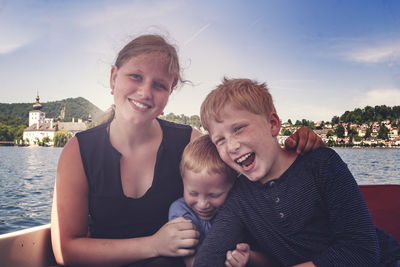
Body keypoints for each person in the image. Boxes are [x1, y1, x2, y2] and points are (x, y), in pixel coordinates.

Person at [50, 34, 324, 267]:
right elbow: (66, 250)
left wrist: (297, 145)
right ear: (113, 77)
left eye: (159, 85)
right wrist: (154, 244)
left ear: (169, 94)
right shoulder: (79, 150)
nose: (145, 92)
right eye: (135, 76)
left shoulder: (190, 143)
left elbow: (249, 169)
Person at [193, 78, 400, 267]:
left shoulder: (321, 164)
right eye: (219, 140)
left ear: (273, 124)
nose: (231, 146)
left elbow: (360, 252)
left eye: (238, 129)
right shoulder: (239, 199)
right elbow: (209, 258)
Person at [169, 134, 278, 267]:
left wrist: (249, 258)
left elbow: (271, 260)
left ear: (234, 187)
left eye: (214, 195)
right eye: (193, 193)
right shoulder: (180, 211)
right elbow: (193, 263)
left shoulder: (240, 210)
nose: (202, 204)